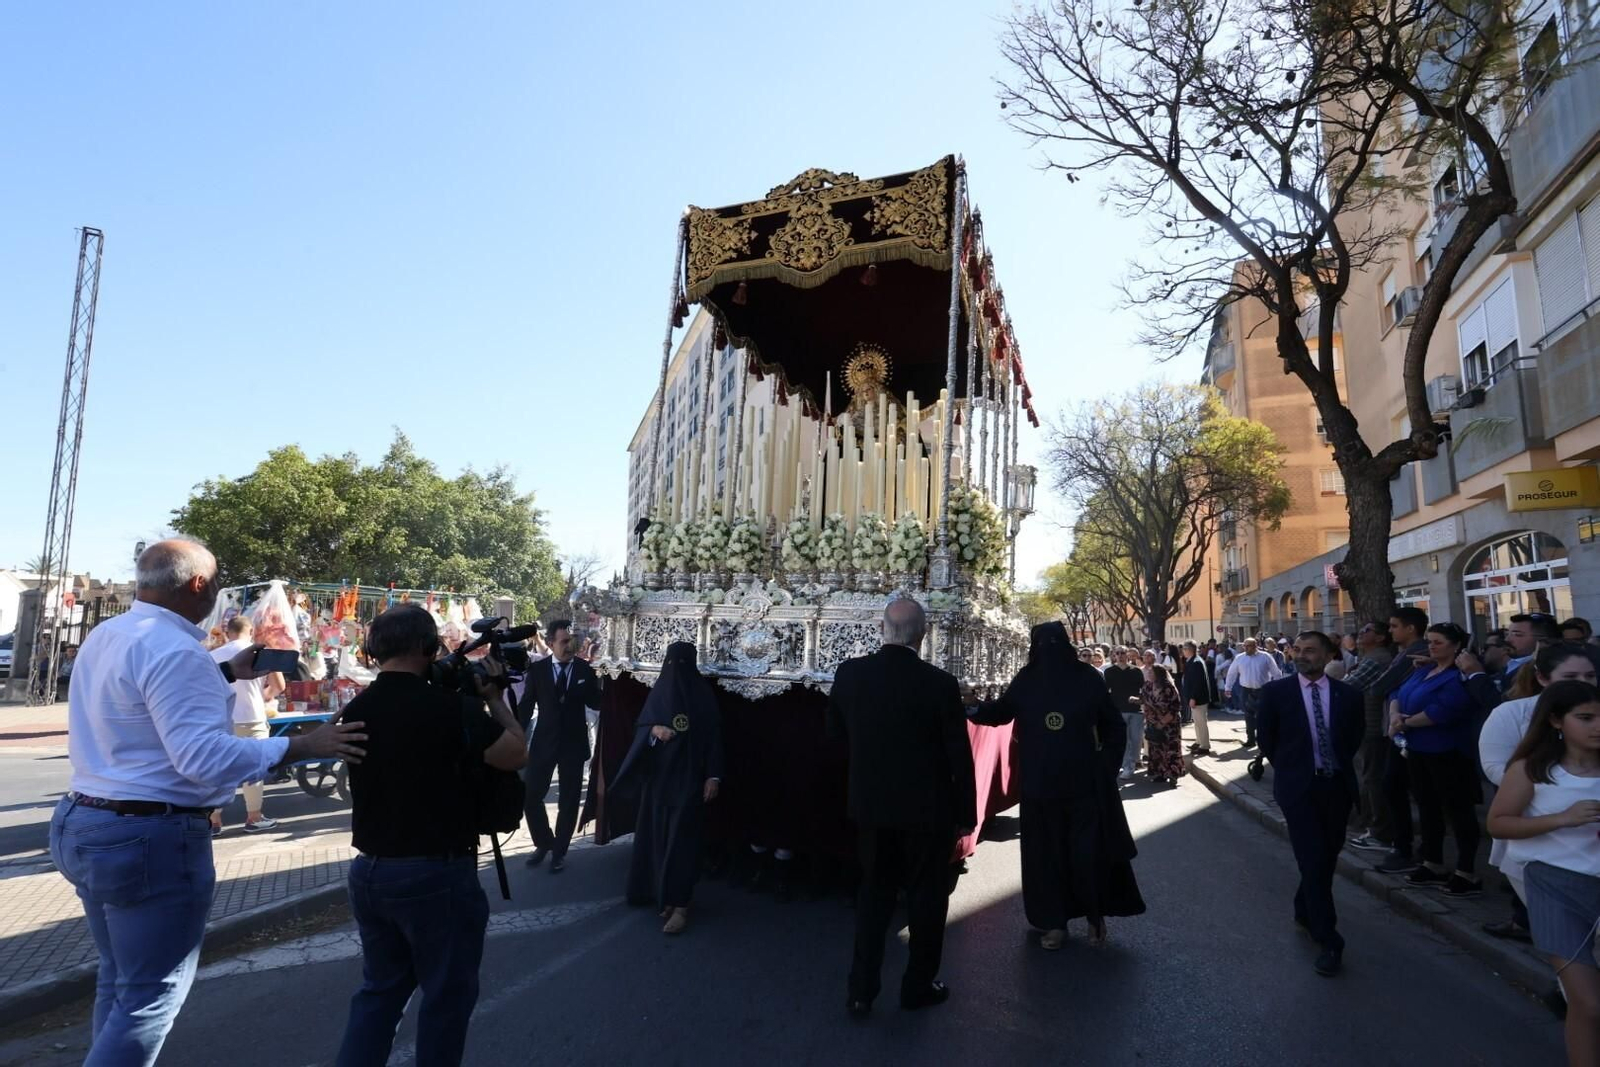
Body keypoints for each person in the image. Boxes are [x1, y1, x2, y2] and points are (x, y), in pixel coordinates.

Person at [49, 539, 365, 1066]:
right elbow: (204, 758)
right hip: (147, 837)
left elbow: (141, 702)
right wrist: (303, 745)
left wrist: (225, 672)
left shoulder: (110, 634)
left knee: (122, 980)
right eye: (217, 581)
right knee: (149, 995)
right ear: (199, 584)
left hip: (84, 819)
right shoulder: (176, 651)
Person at [334, 603, 526, 1067]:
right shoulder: (452, 709)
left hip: (369, 872)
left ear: (374, 651)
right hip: (436, 874)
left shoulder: (357, 708)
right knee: (446, 999)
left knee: (379, 994)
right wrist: (496, 699)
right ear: (428, 647)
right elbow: (516, 754)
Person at [827, 598, 975, 1018]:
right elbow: (958, 756)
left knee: (874, 895)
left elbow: (834, 733)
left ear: (882, 629)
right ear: (922, 636)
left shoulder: (850, 674)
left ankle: (860, 991)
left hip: (872, 807)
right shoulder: (940, 684)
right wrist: (966, 813)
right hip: (928, 812)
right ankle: (917, 986)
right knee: (927, 899)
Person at [969, 622, 1144, 950]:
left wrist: (1104, 769)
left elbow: (1112, 726)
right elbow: (1003, 712)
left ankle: (1091, 916)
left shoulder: (1084, 677)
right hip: (1043, 786)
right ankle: (1057, 922)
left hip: (1075, 784)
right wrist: (973, 708)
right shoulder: (1031, 678)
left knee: (1077, 853)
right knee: (1053, 854)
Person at [1486, 681, 1600, 1067]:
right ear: (1555, 720)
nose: (1597, 726)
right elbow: (1499, 823)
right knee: (1588, 1001)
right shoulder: (1532, 769)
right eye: (1586, 718)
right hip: (1555, 887)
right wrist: (1562, 819)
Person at [1258, 632, 1363, 977]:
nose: (1301, 655)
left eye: (1310, 651)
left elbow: (1352, 738)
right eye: (1297, 650)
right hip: (1298, 789)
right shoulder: (1276, 693)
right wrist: (1292, 772)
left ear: (1329, 655)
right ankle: (1328, 938)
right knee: (1313, 857)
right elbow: (1267, 739)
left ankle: (1304, 908)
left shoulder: (1349, 695)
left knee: (1327, 856)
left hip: (1336, 787)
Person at [1478, 643, 1600, 942]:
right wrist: (1548, 782)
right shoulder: (1512, 715)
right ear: (1543, 678)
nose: (1582, 683)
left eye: (1589, 676)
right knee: (1569, 941)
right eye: (1570, 676)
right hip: (1541, 856)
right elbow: (1494, 767)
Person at [610, 642, 724, 935]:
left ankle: (681, 904)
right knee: (658, 838)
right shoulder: (660, 692)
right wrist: (654, 731)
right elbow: (643, 726)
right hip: (659, 780)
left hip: (689, 779)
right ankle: (663, 895)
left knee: (682, 842)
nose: (677, 671)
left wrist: (713, 776)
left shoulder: (702, 695)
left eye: (682, 664)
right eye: (672, 664)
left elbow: (714, 738)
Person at [1390, 622, 1483, 896]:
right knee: (1427, 807)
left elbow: (1444, 710)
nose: (1431, 646)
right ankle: (1433, 862)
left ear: (1457, 646)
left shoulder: (1459, 677)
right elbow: (1397, 692)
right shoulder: (1424, 670)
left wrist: (1405, 723)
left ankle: (1466, 871)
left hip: (1448, 752)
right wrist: (1395, 715)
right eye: (1430, 641)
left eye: (1438, 642)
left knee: (1458, 810)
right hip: (1418, 749)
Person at [516, 619, 601, 872]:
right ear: (550, 643)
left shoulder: (585, 670)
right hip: (543, 743)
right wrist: (513, 734)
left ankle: (559, 851)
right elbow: (526, 706)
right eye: (564, 641)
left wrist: (611, 682)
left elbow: (597, 702)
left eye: (572, 641)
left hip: (573, 745)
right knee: (530, 796)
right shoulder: (538, 670)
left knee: (569, 801)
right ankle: (544, 842)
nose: (569, 646)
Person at [208, 615, 285, 835]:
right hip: (253, 716)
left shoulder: (212, 655)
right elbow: (279, 686)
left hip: (224, 718)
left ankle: (214, 819)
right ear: (250, 631)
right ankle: (254, 817)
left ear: (227, 632)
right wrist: (264, 696)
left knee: (221, 768)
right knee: (255, 767)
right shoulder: (261, 653)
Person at [1371, 606, 1432, 875]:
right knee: (1395, 786)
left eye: (1395, 626)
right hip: (1398, 729)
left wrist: (1393, 694)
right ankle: (1406, 846)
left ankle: (1409, 848)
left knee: (1401, 788)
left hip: (1411, 732)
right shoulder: (1402, 653)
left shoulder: (1415, 653)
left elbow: (1380, 686)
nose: (1390, 630)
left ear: (1410, 628)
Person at [1342, 622, 1397, 852]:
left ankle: (1380, 832)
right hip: (1370, 725)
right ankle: (1371, 825)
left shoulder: (1376, 659)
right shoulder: (1370, 657)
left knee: (1373, 779)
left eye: (1367, 631)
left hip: (1374, 727)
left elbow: (1347, 687)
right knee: (1369, 777)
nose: (1361, 634)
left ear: (1381, 637)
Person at [1223, 637, 1281, 749]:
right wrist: (1228, 688)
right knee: (1248, 715)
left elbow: (1276, 673)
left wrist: (1277, 688)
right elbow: (1232, 673)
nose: (1245, 648)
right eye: (1244, 646)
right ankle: (1250, 739)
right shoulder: (1239, 658)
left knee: (1262, 716)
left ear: (1255, 646)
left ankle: (1262, 739)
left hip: (1263, 690)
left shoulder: (1265, 657)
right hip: (1246, 690)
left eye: (1248, 646)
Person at [1104, 647, 1146, 780]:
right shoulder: (1109, 671)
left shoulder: (1136, 671)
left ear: (1127, 654)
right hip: (1118, 710)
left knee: (1136, 740)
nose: (1120, 655)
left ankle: (1134, 761)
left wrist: (1141, 701)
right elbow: (1105, 691)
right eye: (1117, 653)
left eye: (1123, 653)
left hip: (1136, 710)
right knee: (1125, 740)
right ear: (1114, 655)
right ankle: (1128, 767)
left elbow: (1144, 689)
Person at [1141, 663, 1186, 785]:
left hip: (1170, 723)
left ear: (1158, 674)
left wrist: (1163, 721)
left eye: (1151, 672)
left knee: (1171, 749)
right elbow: (1144, 700)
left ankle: (1173, 775)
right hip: (1153, 723)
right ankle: (1160, 774)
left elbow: (1176, 706)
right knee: (1156, 749)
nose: (1148, 673)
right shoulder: (1147, 686)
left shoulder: (1168, 687)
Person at [1504, 612, 1562, 692]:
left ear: (1544, 640)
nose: (1507, 639)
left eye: (1517, 635)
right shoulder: (1507, 664)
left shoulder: (1547, 670)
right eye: (1507, 634)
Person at [1180, 641, 1215, 756]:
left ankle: (1204, 746)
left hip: (1198, 698)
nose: (1183, 651)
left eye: (1184, 649)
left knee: (1201, 722)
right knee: (1197, 722)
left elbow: (1197, 682)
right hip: (1195, 698)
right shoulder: (1193, 660)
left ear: (1189, 649)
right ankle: (1199, 741)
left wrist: (1193, 697)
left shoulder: (1196, 662)